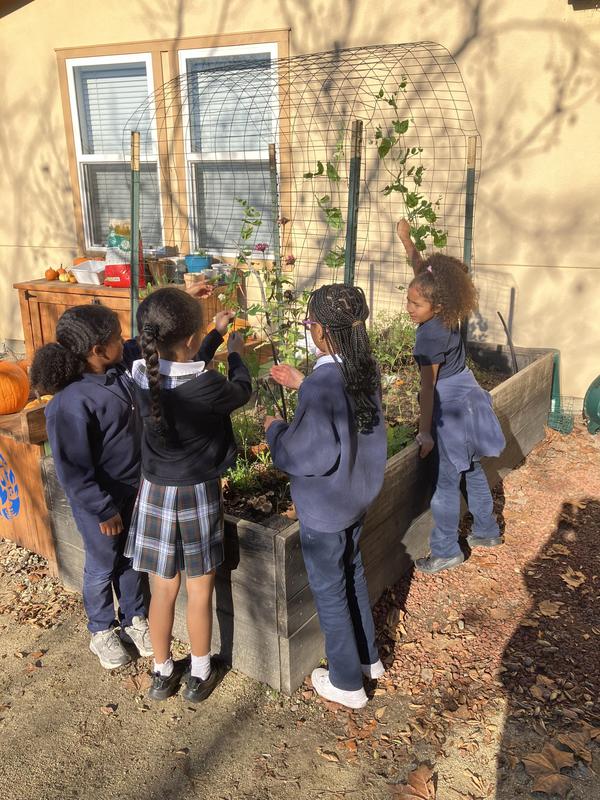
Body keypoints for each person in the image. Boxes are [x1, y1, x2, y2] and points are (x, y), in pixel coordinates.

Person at [125, 287, 252, 703]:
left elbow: (184, 364)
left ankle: (162, 672)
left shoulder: (141, 374)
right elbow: (241, 391)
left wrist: (211, 335)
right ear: (190, 341)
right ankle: (199, 672)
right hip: (196, 493)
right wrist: (233, 352)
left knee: (163, 590)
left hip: (155, 491)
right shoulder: (208, 385)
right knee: (200, 590)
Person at [266, 284, 387, 710]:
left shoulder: (322, 385)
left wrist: (274, 431)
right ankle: (369, 658)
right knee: (353, 573)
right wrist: (304, 384)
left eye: (308, 324)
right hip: (357, 495)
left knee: (330, 591)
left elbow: (307, 454)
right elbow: (343, 415)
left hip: (326, 509)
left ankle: (347, 683)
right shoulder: (362, 368)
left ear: (319, 331)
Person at [30, 304, 151, 670]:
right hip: (99, 503)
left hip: (133, 491)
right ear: (97, 349)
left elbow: (144, 340)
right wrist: (103, 508)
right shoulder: (70, 403)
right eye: (116, 337)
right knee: (101, 565)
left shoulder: (116, 367)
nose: (124, 340)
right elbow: (73, 471)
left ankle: (135, 619)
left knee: (132, 559)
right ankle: (101, 630)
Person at [397, 218, 506, 574]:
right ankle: (487, 531)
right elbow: (424, 274)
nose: (409, 308)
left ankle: (446, 550)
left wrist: (425, 431)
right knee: (473, 469)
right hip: (472, 396)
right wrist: (407, 241)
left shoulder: (428, 337)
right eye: (408, 300)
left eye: (415, 304)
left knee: (445, 482)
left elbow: (428, 389)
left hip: (451, 410)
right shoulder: (449, 308)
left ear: (436, 306)